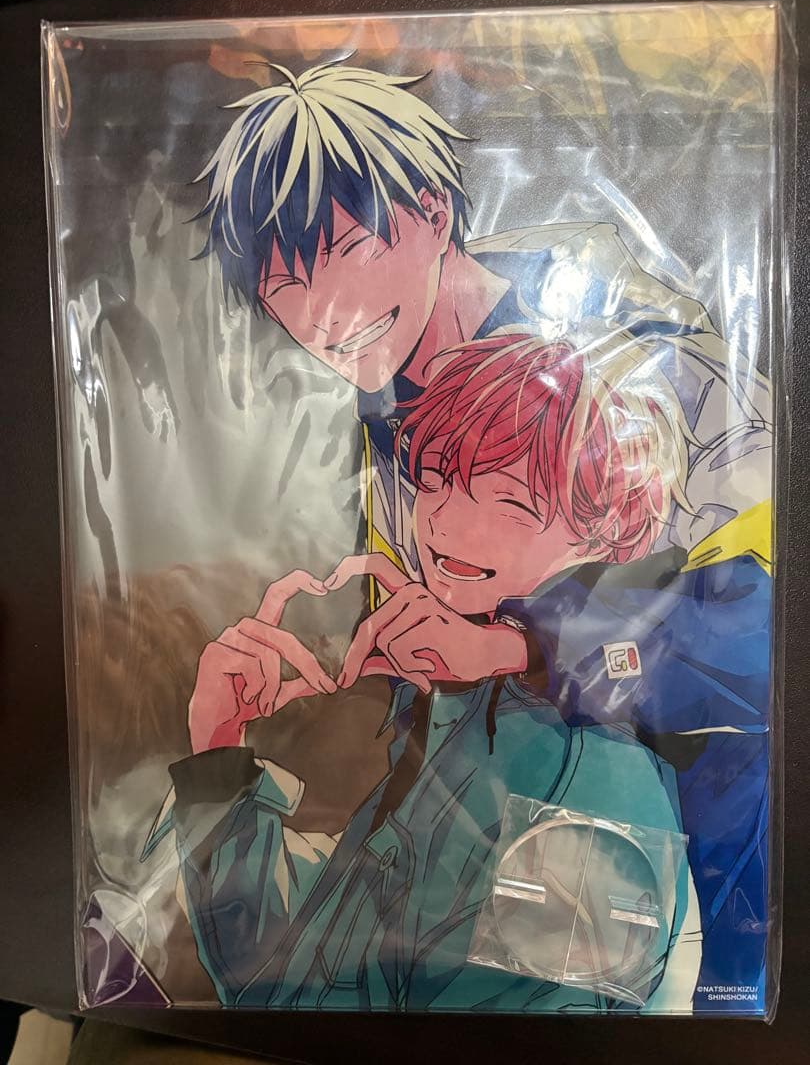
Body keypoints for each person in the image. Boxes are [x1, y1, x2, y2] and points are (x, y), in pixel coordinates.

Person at [194, 59, 772, 1006]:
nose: (320, 314)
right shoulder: (386, 410)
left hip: (702, 880)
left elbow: (762, 628)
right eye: (283, 285)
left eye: (347, 249)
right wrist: (340, 697)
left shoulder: (638, 347)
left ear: (433, 214)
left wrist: (521, 645)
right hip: (486, 874)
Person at [146, 333, 708, 1012]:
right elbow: (282, 979)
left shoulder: (584, 770)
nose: (446, 523)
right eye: (436, 479)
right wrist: (219, 749)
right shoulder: (447, 714)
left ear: (609, 534)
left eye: (510, 502)